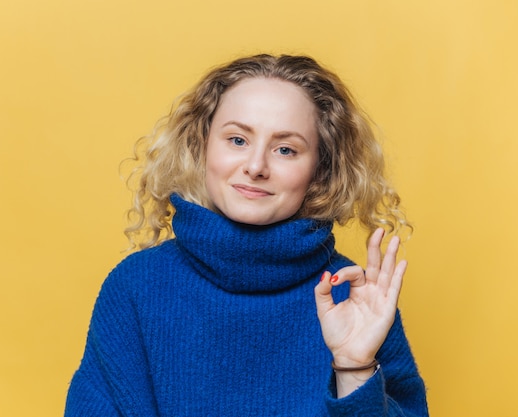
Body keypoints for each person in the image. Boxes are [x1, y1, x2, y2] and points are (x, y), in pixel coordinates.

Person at [65, 54, 428, 416]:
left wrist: (354, 368)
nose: (255, 166)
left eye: (286, 149)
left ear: (320, 170)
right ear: (202, 146)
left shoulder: (354, 298)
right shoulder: (136, 287)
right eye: (237, 140)